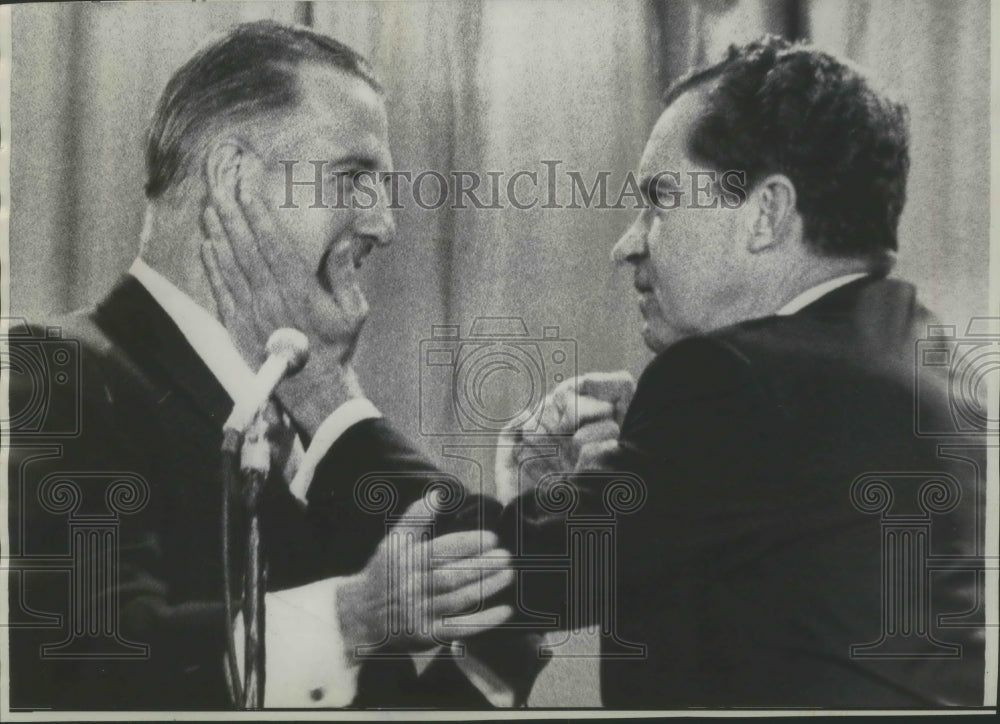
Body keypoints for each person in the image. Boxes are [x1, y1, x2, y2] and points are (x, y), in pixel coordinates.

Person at [7, 20, 520, 710]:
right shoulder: (52, 372)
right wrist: (348, 621)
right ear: (233, 177)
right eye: (353, 177)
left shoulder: (308, 421)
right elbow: (78, 666)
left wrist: (517, 623)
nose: (384, 224)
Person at [492, 35, 986, 707]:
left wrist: (330, 400)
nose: (626, 244)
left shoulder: (736, 378)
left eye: (659, 199)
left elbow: (514, 578)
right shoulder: (932, 360)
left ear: (767, 213)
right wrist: (561, 498)